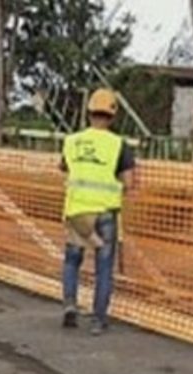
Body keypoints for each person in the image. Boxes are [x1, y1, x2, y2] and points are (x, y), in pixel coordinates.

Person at [60, 88, 136, 336]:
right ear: (112, 116)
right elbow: (128, 182)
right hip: (104, 212)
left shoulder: (71, 142)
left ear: (88, 113)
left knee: (72, 260)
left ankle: (70, 304)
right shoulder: (118, 145)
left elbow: (65, 170)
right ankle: (98, 320)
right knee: (103, 267)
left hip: (77, 212)